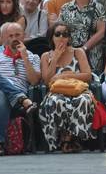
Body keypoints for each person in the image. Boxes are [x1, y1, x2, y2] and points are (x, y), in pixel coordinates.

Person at [0, 22, 40, 156]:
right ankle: (22, 98)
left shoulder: (33, 57)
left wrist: (25, 58)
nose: (14, 38)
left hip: (9, 100)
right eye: (10, 36)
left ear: (24, 36)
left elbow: (34, 81)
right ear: (6, 38)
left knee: (2, 94)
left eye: (17, 35)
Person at [38, 22, 95, 152]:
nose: (62, 37)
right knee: (56, 101)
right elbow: (47, 80)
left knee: (83, 100)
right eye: (58, 34)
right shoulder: (46, 56)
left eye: (65, 34)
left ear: (69, 37)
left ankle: (71, 138)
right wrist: (55, 58)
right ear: (52, 37)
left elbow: (88, 75)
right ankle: (65, 138)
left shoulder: (78, 52)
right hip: (56, 92)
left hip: (78, 90)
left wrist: (65, 76)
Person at [58, 0, 106, 73]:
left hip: (92, 55)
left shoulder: (98, 7)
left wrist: (84, 48)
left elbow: (101, 32)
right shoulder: (65, 8)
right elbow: (60, 31)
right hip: (70, 54)